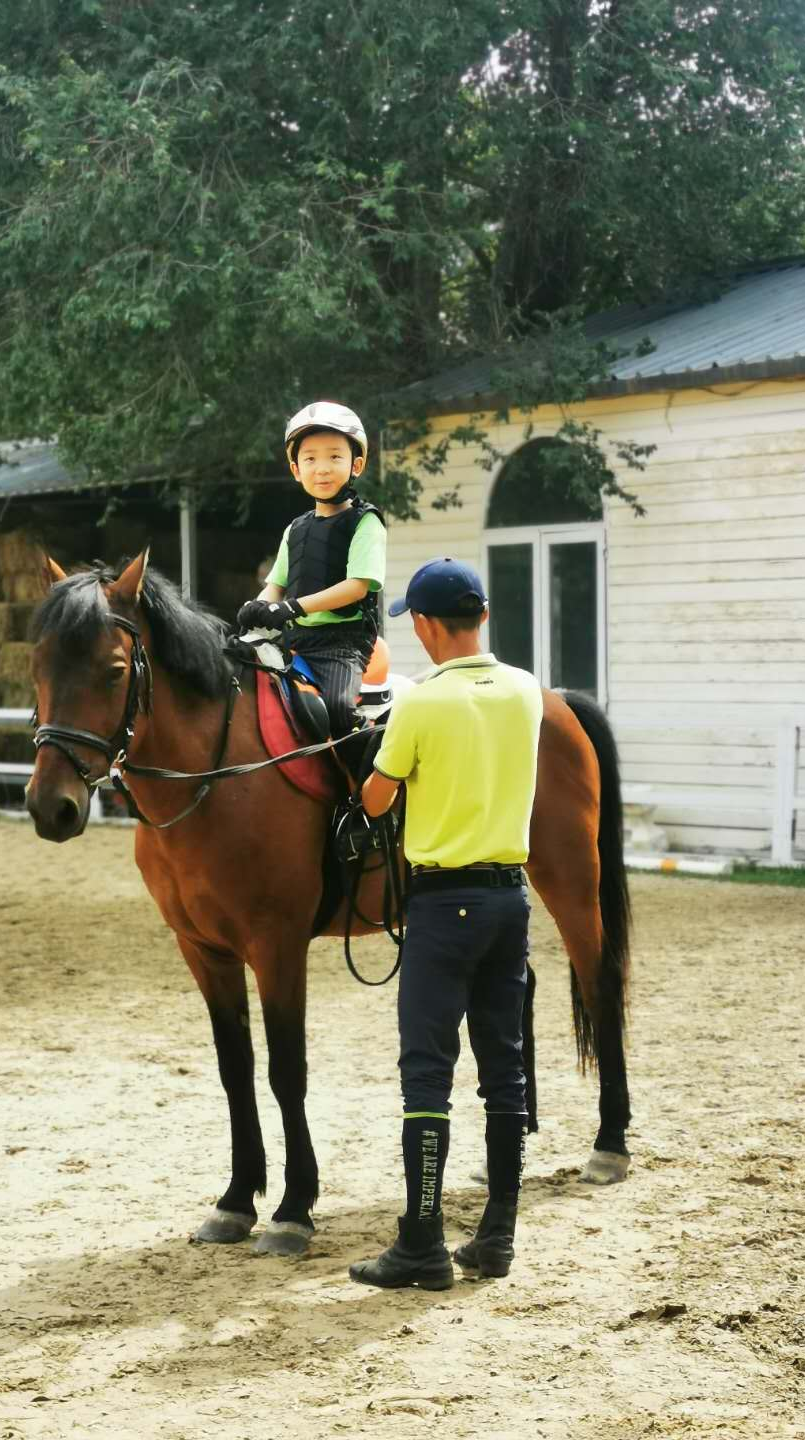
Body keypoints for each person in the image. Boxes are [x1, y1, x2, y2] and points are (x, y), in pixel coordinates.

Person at [348, 558, 543, 1291]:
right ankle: (496, 1237)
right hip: (510, 901)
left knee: (427, 1076)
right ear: (483, 617)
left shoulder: (421, 703)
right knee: (504, 1072)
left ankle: (423, 1241)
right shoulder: (525, 691)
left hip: (443, 903)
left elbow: (373, 801)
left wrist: (379, 753)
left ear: (427, 626)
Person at [236, 402, 386, 756]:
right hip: (296, 641)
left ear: (356, 465)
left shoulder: (366, 523)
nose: (322, 469)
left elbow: (357, 586)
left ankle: (363, 802)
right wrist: (257, 606)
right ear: (295, 469)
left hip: (342, 645)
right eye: (310, 459)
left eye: (335, 457)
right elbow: (276, 583)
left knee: (338, 709)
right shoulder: (296, 528)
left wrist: (291, 607)